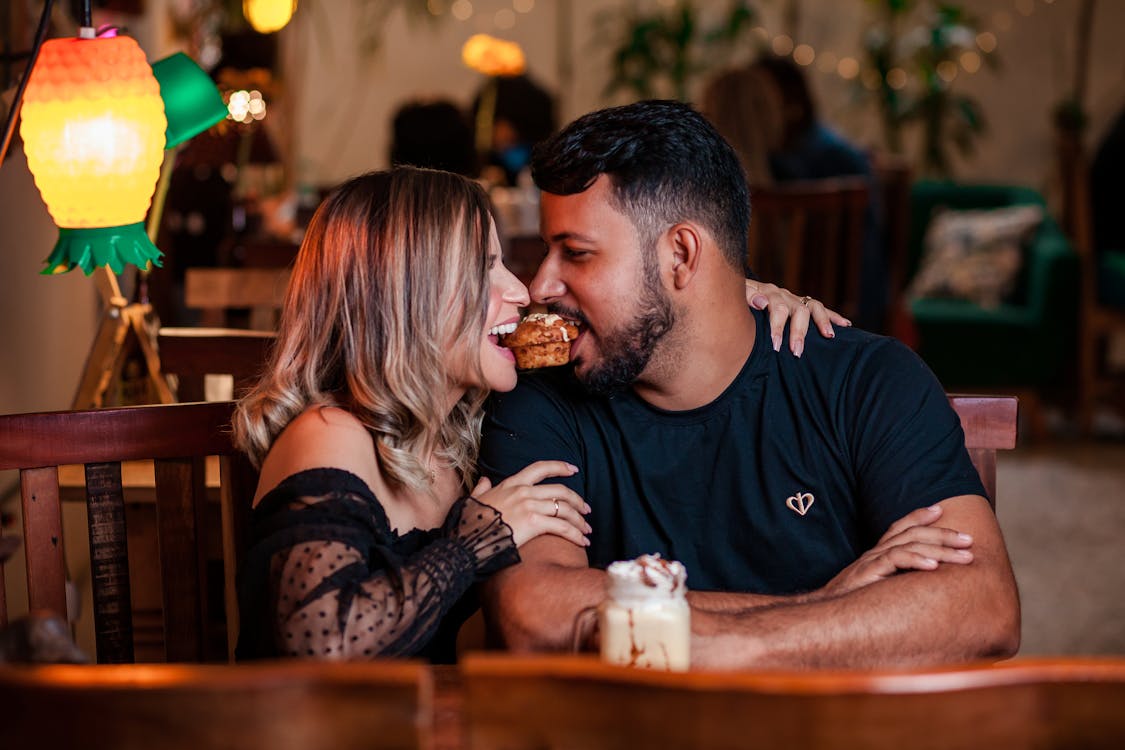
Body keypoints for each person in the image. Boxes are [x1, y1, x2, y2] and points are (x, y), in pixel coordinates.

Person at [478, 100, 1020, 669]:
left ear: (681, 255)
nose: (539, 284)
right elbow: (532, 613)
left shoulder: (867, 381)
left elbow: (984, 606)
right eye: (546, 250)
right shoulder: (541, 398)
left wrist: (738, 645)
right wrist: (829, 603)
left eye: (576, 253)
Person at [231, 166, 832, 662]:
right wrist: (473, 542)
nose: (520, 290)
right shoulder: (330, 436)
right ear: (403, 295)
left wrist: (743, 301)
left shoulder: (468, 432)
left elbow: (635, 329)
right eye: (483, 268)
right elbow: (322, 646)